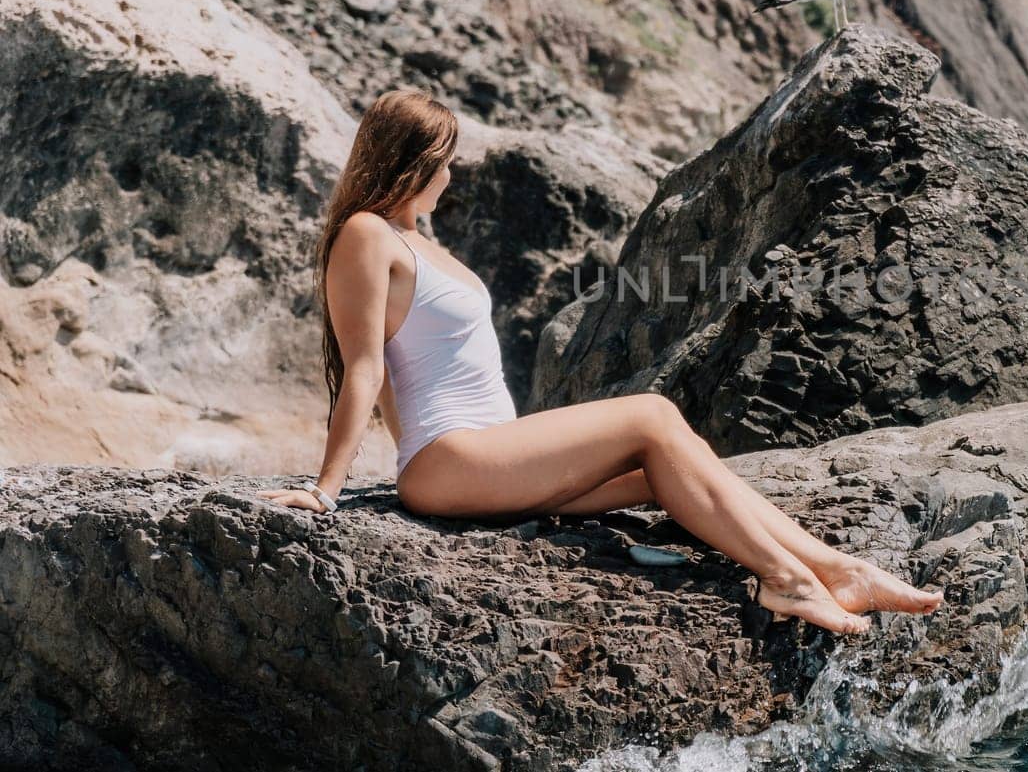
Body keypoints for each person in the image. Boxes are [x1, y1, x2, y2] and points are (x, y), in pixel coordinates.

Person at [256, 88, 942, 634]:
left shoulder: (415, 238)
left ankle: (834, 568)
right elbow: (367, 371)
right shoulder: (364, 235)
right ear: (410, 159)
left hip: (482, 458)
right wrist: (326, 489)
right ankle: (787, 581)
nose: (451, 170)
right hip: (452, 458)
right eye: (444, 155)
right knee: (652, 413)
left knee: (664, 470)